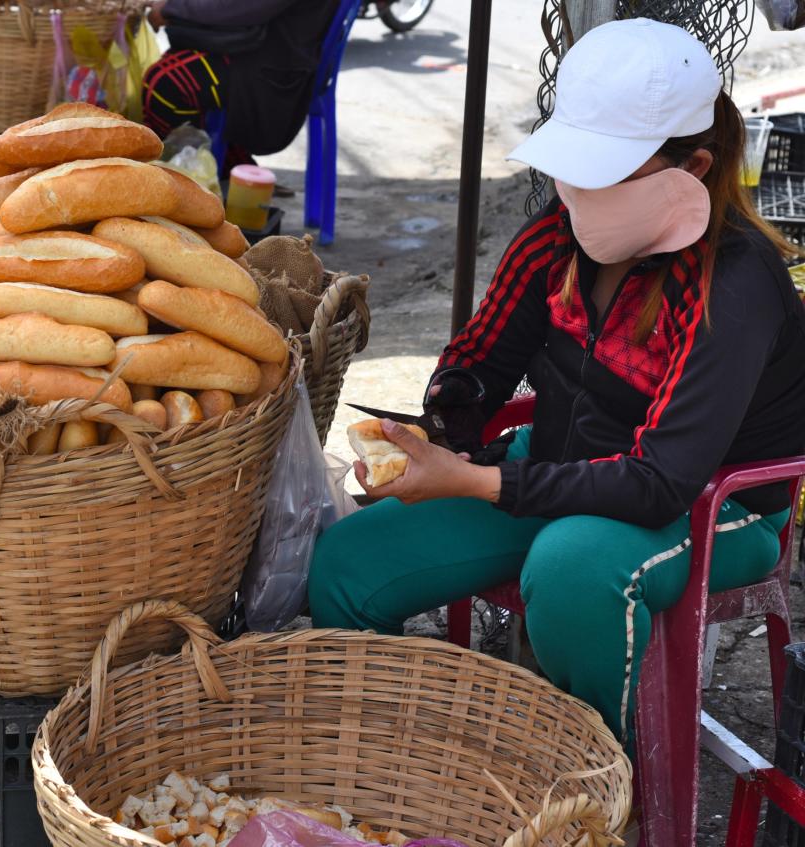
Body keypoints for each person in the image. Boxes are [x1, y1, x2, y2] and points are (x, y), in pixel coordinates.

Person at [309, 18, 805, 749]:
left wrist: (474, 483)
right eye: (576, 168)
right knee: (347, 566)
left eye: (608, 173)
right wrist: (445, 427)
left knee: (572, 568)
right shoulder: (562, 232)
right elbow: (480, 359)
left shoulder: (734, 285)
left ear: (692, 169)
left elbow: (657, 484)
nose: (579, 191)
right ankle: (393, 770)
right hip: (556, 473)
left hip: (709, 509)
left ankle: (601, 776)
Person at [142, 0, 338, 170]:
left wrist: (172, 8)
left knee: (166, 82)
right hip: (252, 48)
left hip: (271, 68)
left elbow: (243, 8)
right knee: (172, 68)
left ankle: (206, 173)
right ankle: (220, 168)